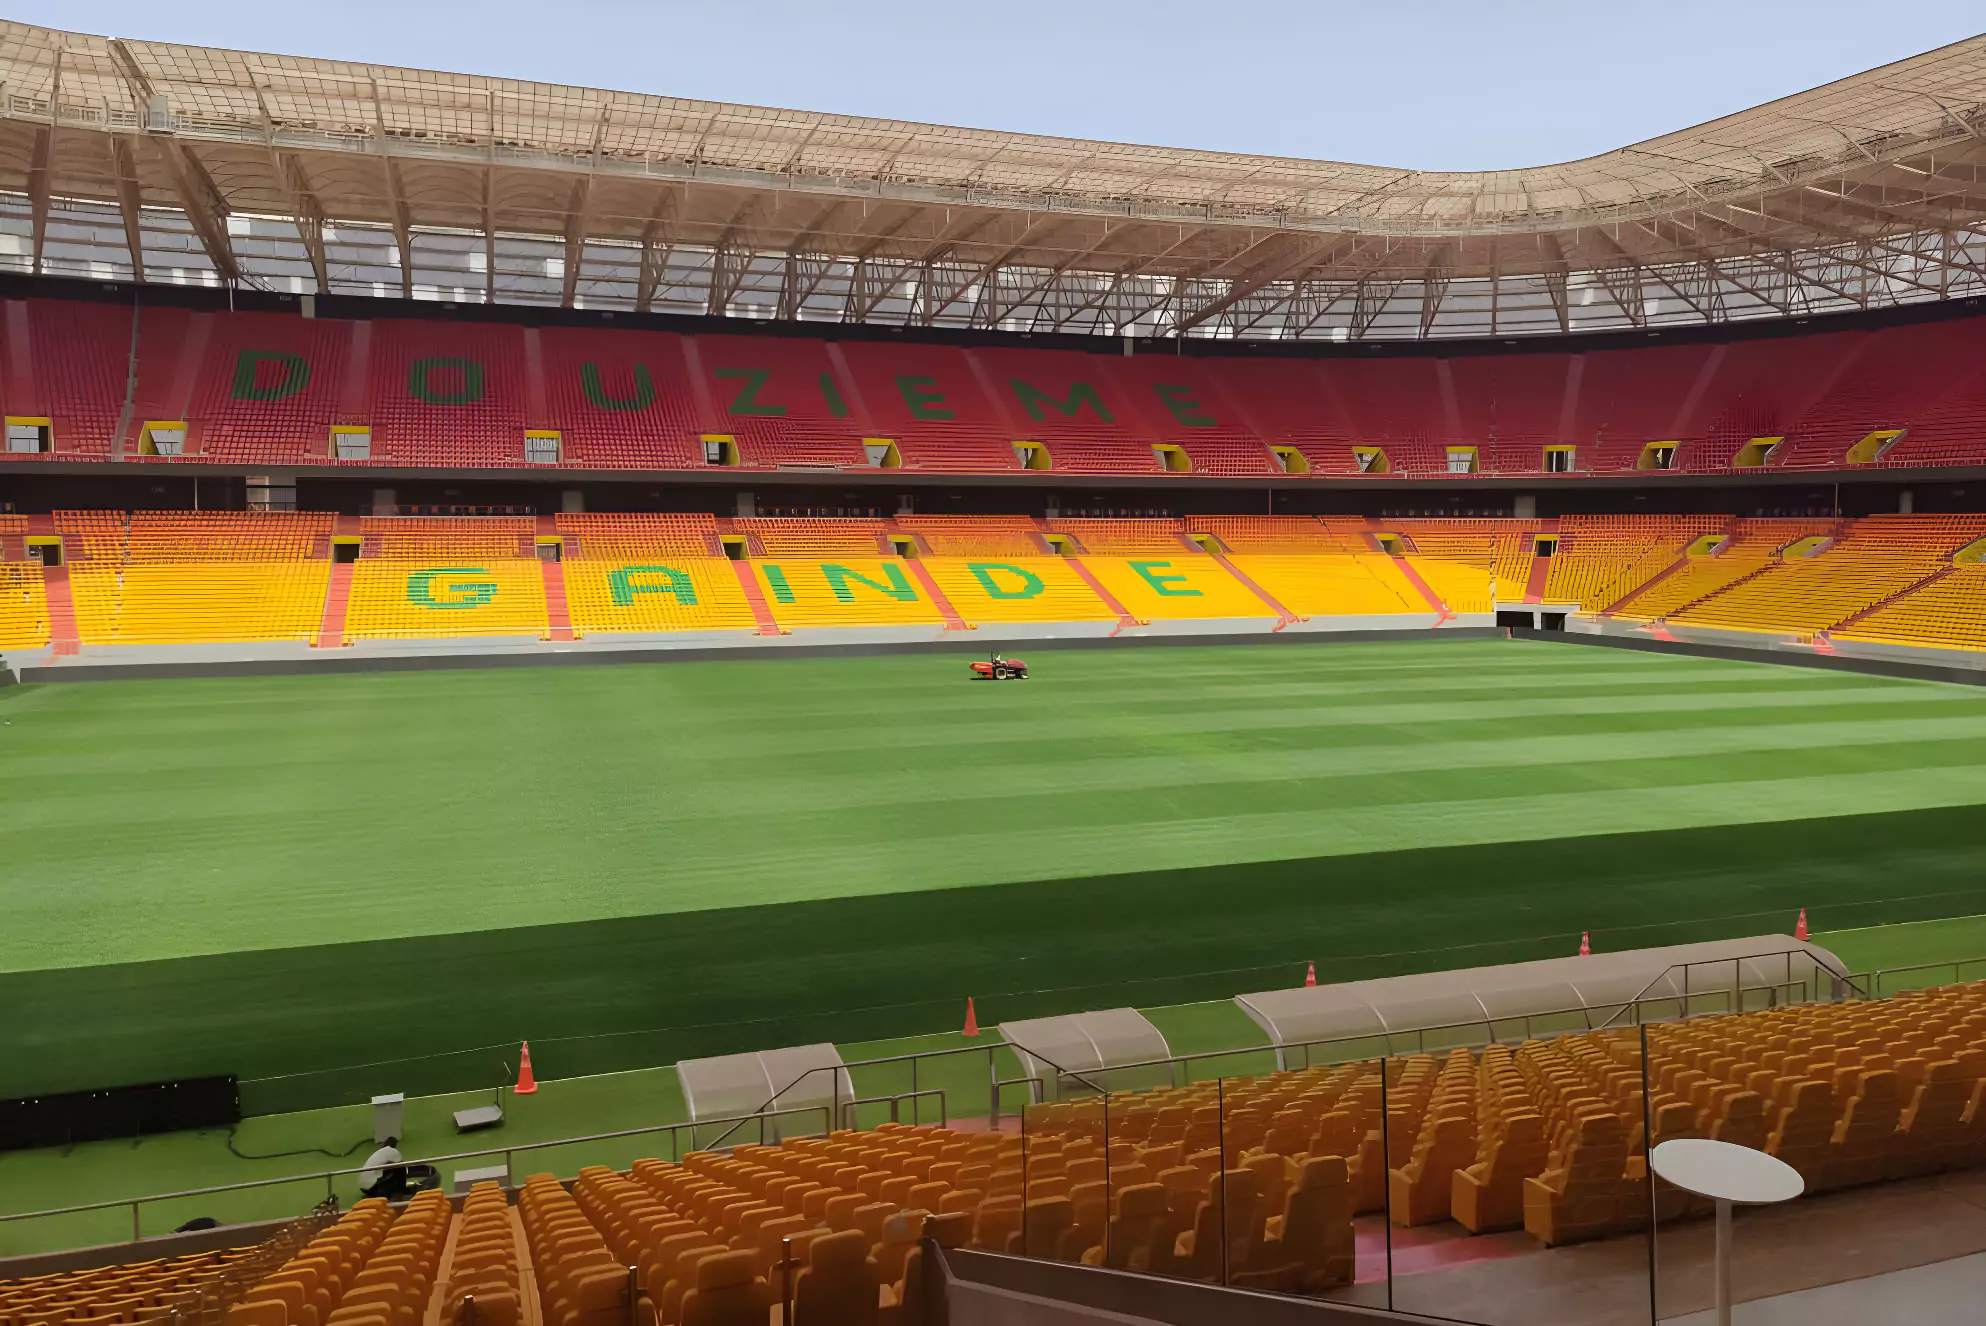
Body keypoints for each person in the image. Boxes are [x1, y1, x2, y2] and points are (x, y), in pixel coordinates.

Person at [357, 1137, 437, 1201]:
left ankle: (392, 1191)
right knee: (400, 1168)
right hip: (374, 1189)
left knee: (392, 1169)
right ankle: (402, 1191)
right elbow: (402, 1166)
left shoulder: (378, 1153)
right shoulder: (393, 1151)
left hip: (365, 1189)